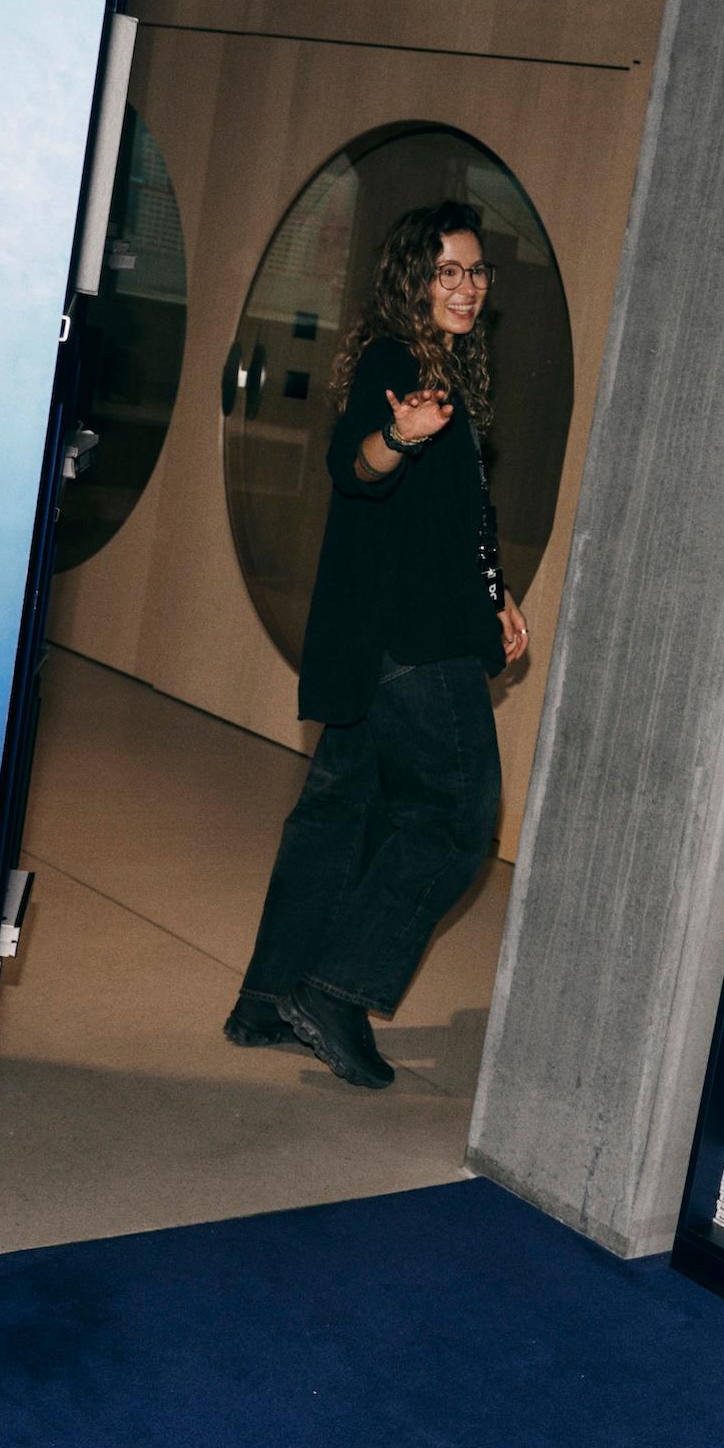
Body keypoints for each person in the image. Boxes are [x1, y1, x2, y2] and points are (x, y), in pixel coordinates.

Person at [224, 201, 528, 1089]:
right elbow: (353, 468)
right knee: (458, 820)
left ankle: (267, 998)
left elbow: (453, 517)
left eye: (475, 271)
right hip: (414, 643)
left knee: (337, 817)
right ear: (413, 280)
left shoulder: (444, 366)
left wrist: (497, 592)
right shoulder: (398, 365)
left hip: (381, 635)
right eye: (447, 272)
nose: (466, 288)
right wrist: (397, 436)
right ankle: (336, 990)